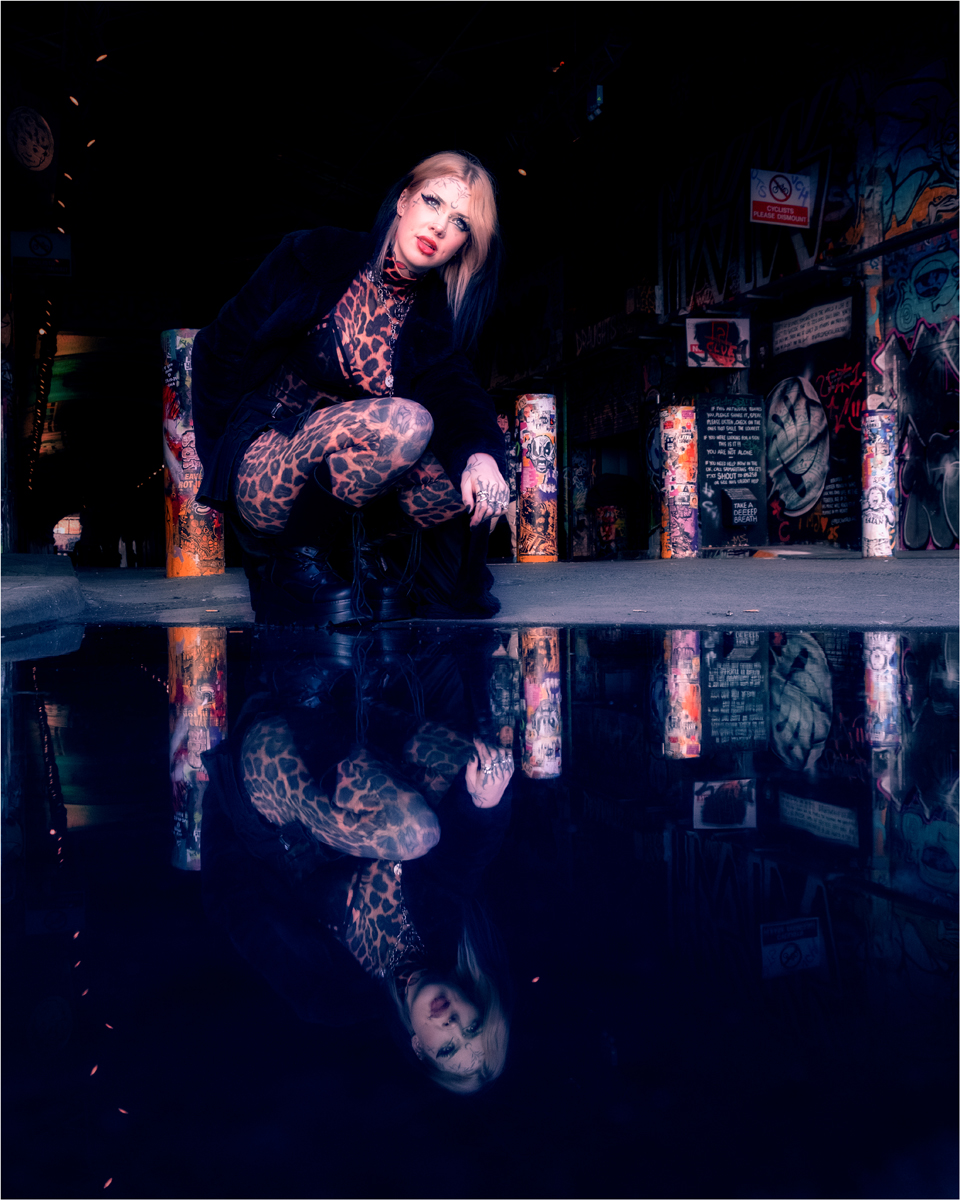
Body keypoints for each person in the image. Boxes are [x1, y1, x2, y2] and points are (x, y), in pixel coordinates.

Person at [192, 151, 510, 624]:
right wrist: (221, 461)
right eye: (432, 202)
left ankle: (351, 551)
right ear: (404, 200)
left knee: (474, 473)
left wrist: (481, 456)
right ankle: (293, 563)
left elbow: (457, 395)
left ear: (465, 244)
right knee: (407, 422)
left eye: (460, 222)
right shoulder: (317, 254)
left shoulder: (432, 317)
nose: (440, 226)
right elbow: (218, 350)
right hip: (267, 464)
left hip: (344, 502)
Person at [201, 627, 514, 1093]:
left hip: (270, 789)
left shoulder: (333, 995)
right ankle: (343, 701)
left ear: (419, 1049)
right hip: (345, 744)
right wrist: (485, 804)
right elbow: (466, 856)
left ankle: (301, 693)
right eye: (472, 1026)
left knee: (416, 832)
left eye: (447, 1048)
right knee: (472, 771)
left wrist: (221, 796)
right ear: (476, 1003)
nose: (453, 1026)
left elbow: (232, 901)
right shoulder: (444, 931)